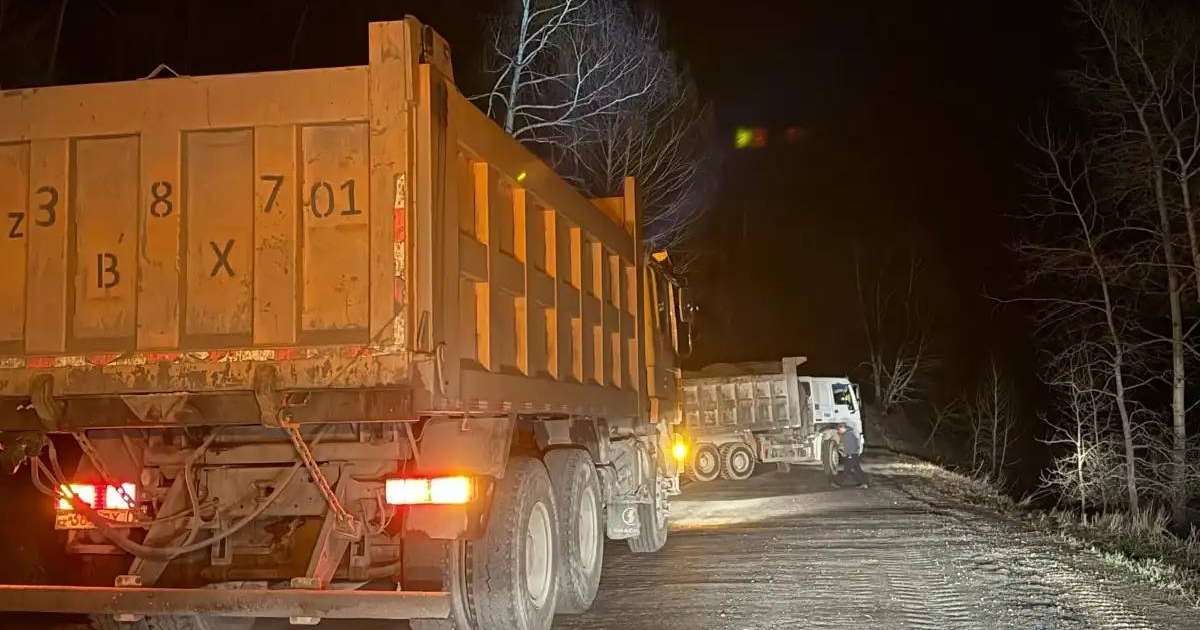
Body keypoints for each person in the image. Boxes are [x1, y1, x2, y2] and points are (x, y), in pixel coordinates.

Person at [834, 423, 868, 488]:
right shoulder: (849, 433)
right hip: (854, 454)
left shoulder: (848, 435)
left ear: (842, 428)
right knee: (857, 470)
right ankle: (864, 483)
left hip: (851, 455)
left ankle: (838, 483)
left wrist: (849, 455)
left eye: (839, 429)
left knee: (846, 470)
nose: (838, 431)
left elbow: (850, 446)